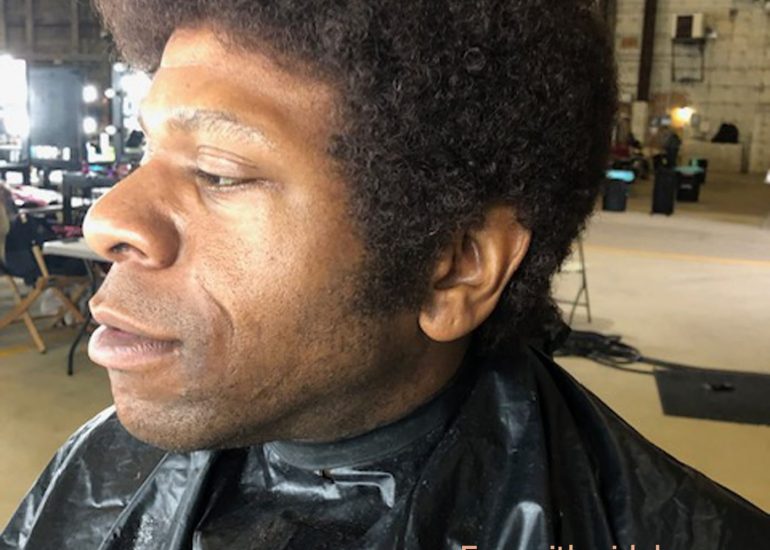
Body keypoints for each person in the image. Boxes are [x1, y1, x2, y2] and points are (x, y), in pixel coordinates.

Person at [2, 1, 768, 548]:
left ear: (456, 268)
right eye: (145, 151)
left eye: (220, 172)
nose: (108, 218)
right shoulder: (98, 465)